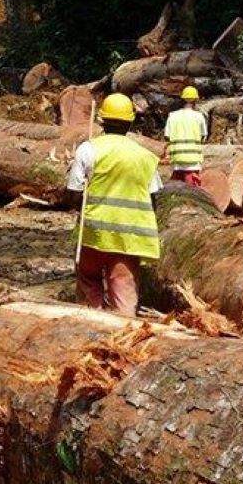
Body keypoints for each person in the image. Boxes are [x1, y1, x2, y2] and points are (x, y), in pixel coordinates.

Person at [66, 93, 161, 317]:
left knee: (89, 281)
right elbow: (153, 199)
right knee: (124, 290)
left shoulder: (88, 149)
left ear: (102, 121)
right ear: (130, 122)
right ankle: (124, 333)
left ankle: (91, 326)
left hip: (93, 234)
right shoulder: (145, 157)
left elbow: (73, 192)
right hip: (129, 238)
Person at [163, 85, 208, 186]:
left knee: (175, 190)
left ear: (182, 99)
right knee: (192, 192)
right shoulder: (199, 116)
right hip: (193, 161)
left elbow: (167, 136)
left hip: (177, 159)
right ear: (196, 100)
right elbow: (203, 136)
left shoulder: (173, 116)